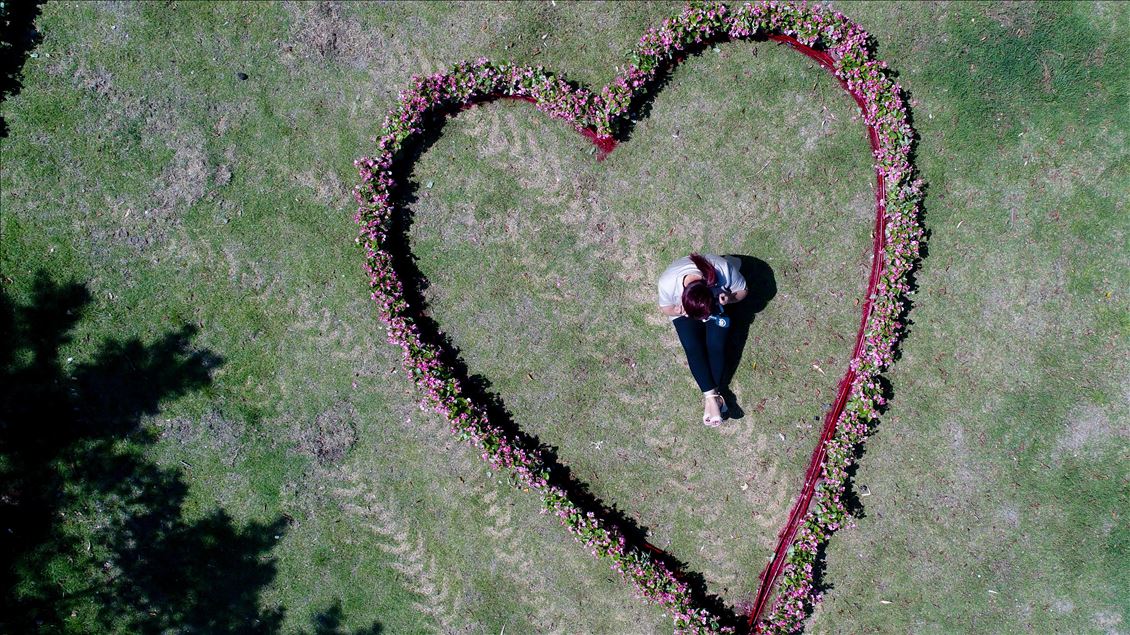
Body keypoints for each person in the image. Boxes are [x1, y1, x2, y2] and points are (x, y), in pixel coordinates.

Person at [657, 252, 748, 426]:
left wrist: (729, 298)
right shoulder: (667, 284)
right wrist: (677, 311)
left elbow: (743, 290)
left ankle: (712, 400)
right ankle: (715, 399)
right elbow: (666, 308)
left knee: (716, 345)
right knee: (692, 347)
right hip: (684, 309)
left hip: (712, 303)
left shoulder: (723, 270)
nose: (703, 322)